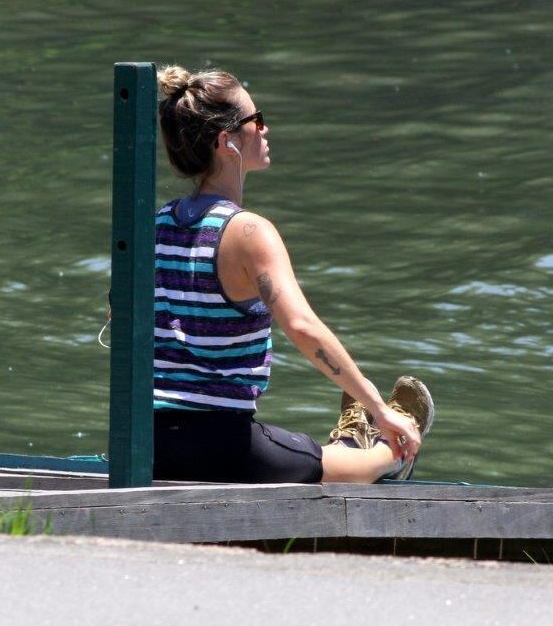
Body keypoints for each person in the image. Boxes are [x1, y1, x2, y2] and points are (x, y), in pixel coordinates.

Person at [151, 65, 434, 484]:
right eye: (256, 120)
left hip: (148, 441)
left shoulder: (154, 225)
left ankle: (360, 437)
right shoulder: (250, 233)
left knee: (293, 449)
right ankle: (383, 447)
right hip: (222, 446)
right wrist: (381, 407)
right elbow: (301, 327)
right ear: (226, 141)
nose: (265, 129)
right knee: (355, 463)